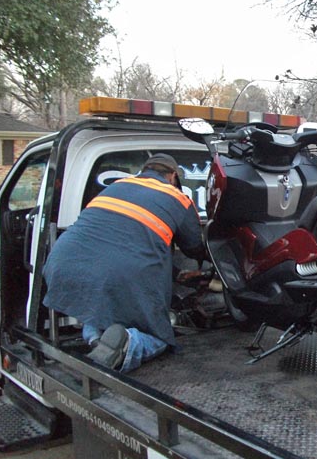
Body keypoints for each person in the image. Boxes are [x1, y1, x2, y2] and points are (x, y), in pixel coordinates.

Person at [43, 153, 207, 372]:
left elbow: (127, 239)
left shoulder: (116, 186)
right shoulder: (178, 198)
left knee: (95, 306)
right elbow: (194, 246)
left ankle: (98, 342)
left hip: (63, 260)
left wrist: (176, 274)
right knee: (160, 337)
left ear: (144, 170)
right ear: (173, 176)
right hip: (120, 273)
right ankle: (128, 343)